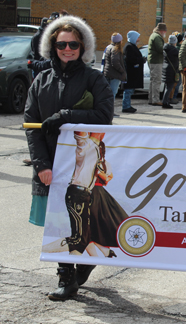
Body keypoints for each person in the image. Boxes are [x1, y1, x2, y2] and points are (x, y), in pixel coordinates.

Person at [24, 15, 113, 301]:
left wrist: (66, 117)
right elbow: (31, 123)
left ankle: (85, 261)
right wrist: (41, 165)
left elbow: (103, 116)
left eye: (73, 43)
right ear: (52, 45)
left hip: (83, 167)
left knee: (82, 220)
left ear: (82, 46)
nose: (67, 48)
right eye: (61, 43)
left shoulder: (93, 78)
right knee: (60, 222)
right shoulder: (42, 79)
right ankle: (66, 277)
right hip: (51, 163)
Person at [103, 33, 127, 116]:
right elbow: (115, 62)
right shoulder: (116, 49)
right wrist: (122, 71)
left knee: (107, 94)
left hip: (108, 73)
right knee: (112, 94)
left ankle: (106, 110)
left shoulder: (108, 47)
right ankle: (110, 112)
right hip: (114, 75)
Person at [122, 30, 143, 113]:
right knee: (128, 90)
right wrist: (140, 60)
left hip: (133, 73)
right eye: (137, 38)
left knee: (130, 90)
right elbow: (130, 59)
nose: (139, 39)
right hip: (130, 73)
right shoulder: (129, 47)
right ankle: (126, 106)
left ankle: (128, 105)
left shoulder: (132, 46)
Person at [147, 22, 167, 106]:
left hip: (152, 60)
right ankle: (155, 99)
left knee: (153, 80)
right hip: (156, 61)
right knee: (157, 81)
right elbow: (160, 49)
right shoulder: (157, 37)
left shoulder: (153, 35)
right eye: (165, 31)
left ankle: (151, 99)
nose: (165, 33)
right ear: (162, 31)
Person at [161, 35, 179, 109]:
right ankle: (165, 102)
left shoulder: (165, 48)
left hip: (165, 68)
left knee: (166, 87)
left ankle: (165, 101)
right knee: (169, 87)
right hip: (172, 70)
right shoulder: (174, 50)